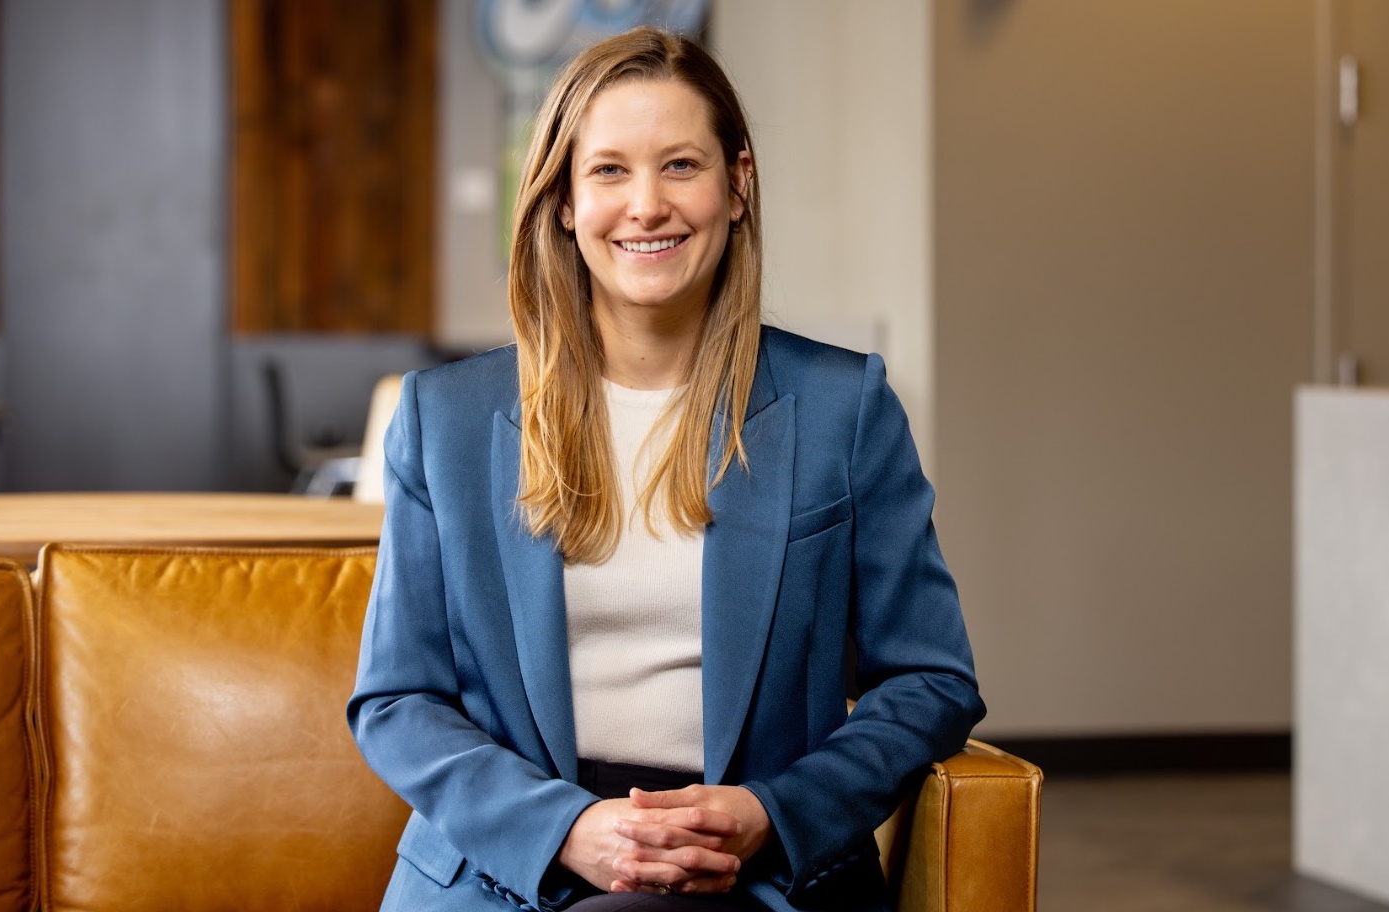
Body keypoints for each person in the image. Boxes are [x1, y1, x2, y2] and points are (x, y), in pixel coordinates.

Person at [348, 26, 984, 912]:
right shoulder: (444, 419)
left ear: (738, 184)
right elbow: (396, 700)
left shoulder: (845, 409)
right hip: (508, 871)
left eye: (681, 165)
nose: (646, 206)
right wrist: (565, 829)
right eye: (609, 170)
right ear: (564, 200)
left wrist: (772, 813)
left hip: (753, 874)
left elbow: (931, 679)